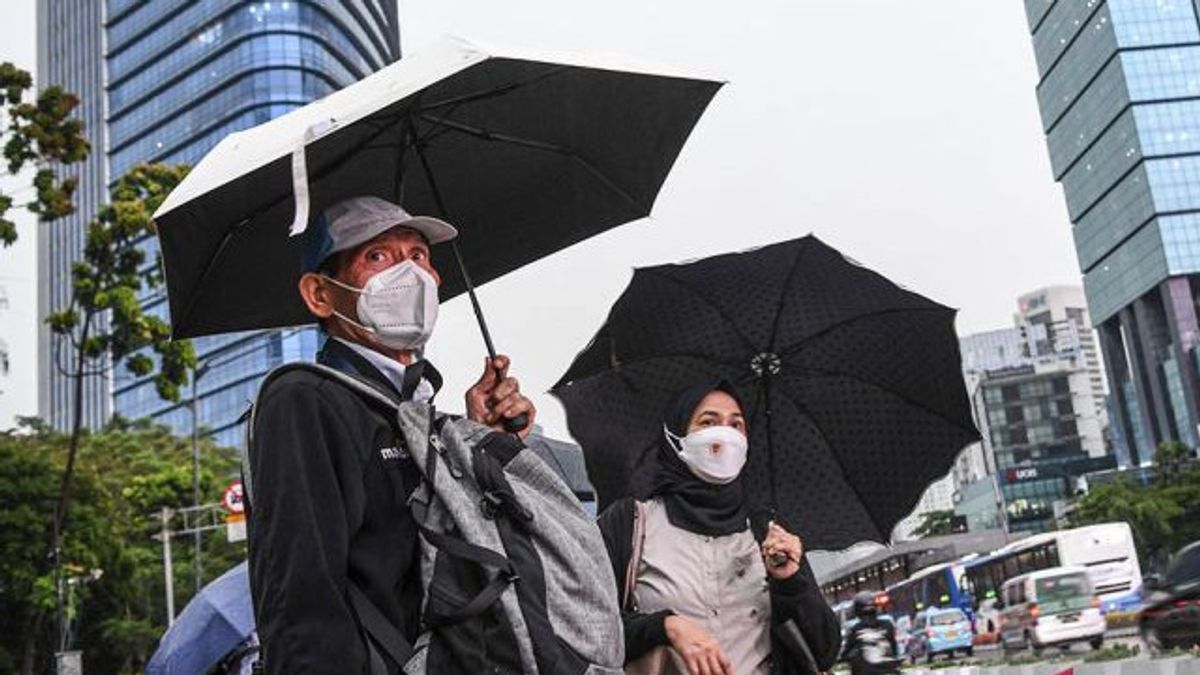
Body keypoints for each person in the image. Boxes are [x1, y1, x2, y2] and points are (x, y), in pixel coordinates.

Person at [246, 196, 537, 673]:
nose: (409, 274)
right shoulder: (304, 402)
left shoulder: (419, 411)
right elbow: (301, 593)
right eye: (377, 256)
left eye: (418, 256)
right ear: (320, 294)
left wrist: (483, 445)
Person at [598, 381, 841, 675]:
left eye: (735, 425)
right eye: (708, 422)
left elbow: (824, 651)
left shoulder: (767, 531)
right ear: (676, 437)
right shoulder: (631, 524)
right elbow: (590, 627)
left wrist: (790, 581)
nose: (725, 434)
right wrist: (665, 626)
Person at [841, 592, 900, 675]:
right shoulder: (888, 624)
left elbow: (845, 653)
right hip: (889, 670)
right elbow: (894, 648)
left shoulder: (856, 629)